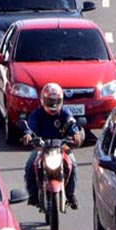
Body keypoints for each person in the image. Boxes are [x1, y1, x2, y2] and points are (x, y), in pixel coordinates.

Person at [21, 82, 83, 210]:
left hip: (61, 147)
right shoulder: (38, 113)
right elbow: (30, 125)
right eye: (50, 101)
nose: (53, 105)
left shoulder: (65, 112)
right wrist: (28, 134)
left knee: (73, 164)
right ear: (43, 100)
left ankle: (71, 195)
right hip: (42, 147)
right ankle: (33, 196)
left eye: (56, 101)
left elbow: (72, 123)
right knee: (30, 165)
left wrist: (76, 133)